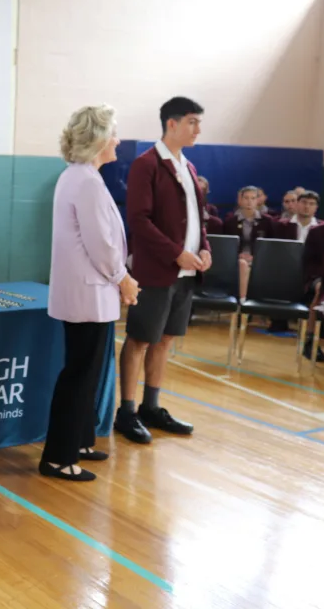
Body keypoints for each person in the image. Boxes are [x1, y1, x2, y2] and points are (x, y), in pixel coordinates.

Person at [42, 105, 138, 481]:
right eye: (114, 133)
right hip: (90, 293)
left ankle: (80, 441)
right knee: (80, 375)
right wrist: (123, 278)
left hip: (86, 293)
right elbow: (101, 245)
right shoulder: (86, 181)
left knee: (87, 372)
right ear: (99, 138)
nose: (118, 140)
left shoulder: (78, 176)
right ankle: (58, 457)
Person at [119, 96, 211, 444]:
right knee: (140, 339)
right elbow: (139, 221)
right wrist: (176, 254)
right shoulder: (147, 164)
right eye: (191, 121)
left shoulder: (188, 167)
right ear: (171, 123)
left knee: (166, 339)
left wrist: (205, 248)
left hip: (185, 273)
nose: (197, 129)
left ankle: (151, 407)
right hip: (157, 271)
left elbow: (198, 220)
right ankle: (126, 412)